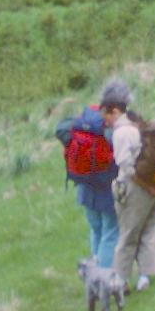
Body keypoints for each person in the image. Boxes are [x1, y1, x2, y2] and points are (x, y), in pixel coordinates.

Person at [108, 80, 155, 293]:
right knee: (149, 230)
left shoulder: (121, 132)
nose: (105, 119)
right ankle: (145, 277)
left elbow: (126, 166)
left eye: (106, 113)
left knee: (128, 235)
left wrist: (146, 187)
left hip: (137, 189)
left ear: (115, 110)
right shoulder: (141, 125)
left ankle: (120, 280)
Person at [61, 88, 123, 283]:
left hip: (85, 187)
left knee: (95, 230)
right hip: (105, 187)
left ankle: (93, 273)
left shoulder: (82, 123)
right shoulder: (109, 130)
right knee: (110, 232)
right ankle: (104, 278)